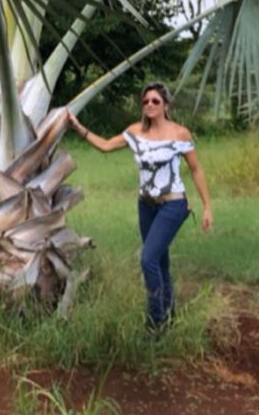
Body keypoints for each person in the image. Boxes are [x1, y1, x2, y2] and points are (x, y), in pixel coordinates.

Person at [66, 82, 213, 331]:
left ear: (166, 105)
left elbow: (196, 169)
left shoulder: (180, 134)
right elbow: (105, 146)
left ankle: (154, 323)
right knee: (159, 261)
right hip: (146, 205)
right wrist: (78, 127)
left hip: (173, 205)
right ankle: (170, 313)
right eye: (145, 101)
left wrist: (207, 206)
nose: (149, 105)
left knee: (147, 260)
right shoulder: (135, 132)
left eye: (155, 101)